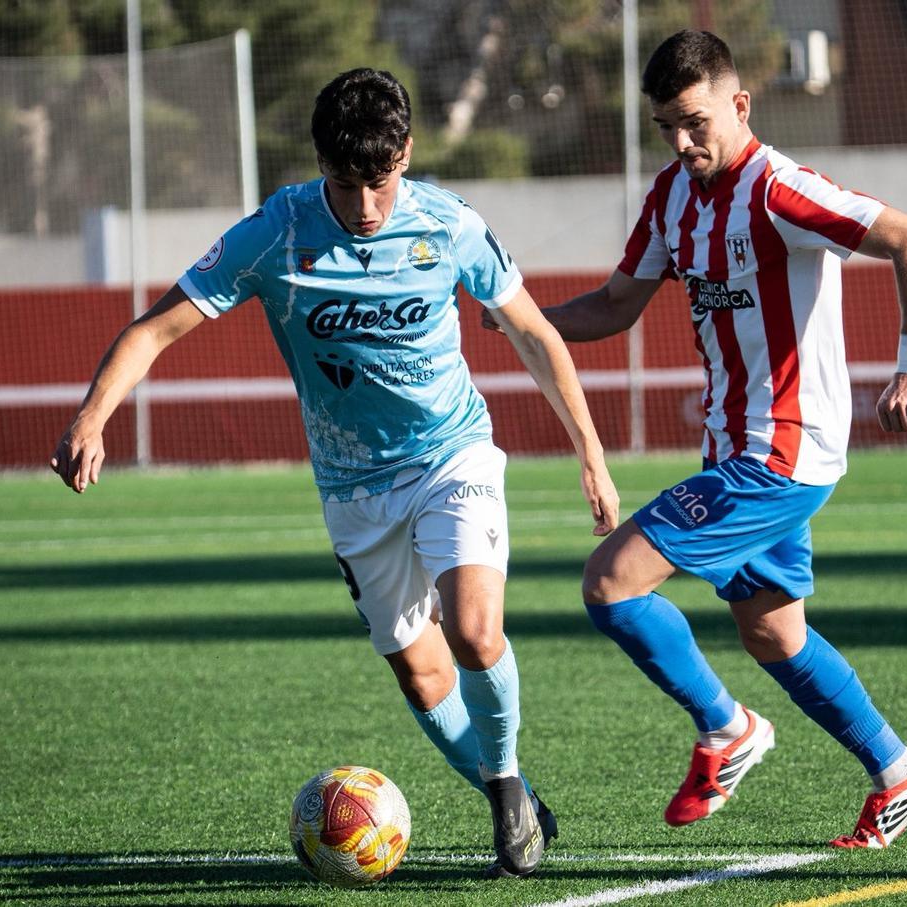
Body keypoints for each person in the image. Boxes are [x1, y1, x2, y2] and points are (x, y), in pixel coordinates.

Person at [50, 67, 620, 878]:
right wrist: (92, 414)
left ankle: (502, 789)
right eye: (347, 184)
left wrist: (589, 451)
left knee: (473, 631)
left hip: (452, 453)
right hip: (354, 489)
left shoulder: (449, 225)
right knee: (422, 675)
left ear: (406, 155)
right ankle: (514, 791)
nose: (365, 206)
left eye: (380, 182)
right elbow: (153, 330)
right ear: (320, 164)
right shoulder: (275, 234)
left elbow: (533, 333)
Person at [485, 30, 907, 849]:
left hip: (782, 453)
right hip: (733, 450)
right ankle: (900, 771)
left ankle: (728, 727)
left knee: (611, 583)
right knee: (773, 631)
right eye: (666, 126)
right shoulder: (672, 196)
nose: (681, 141)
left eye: (695, 122)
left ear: (739, 104)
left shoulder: (779, 189)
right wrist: (529, 322)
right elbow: (616, 305)